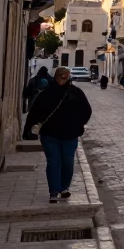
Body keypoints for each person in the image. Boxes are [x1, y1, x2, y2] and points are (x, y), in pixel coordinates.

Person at [23, 67, 92, 204]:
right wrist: (28, 130)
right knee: (53, 161)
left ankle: (63, 187)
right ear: (55, 77)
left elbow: (86, 111)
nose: (63, 78)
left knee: (68, 162)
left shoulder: (76, 93)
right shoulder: (46, 94)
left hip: (70, 135)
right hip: (50, 135)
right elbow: (34, 113)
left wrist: (77, 125)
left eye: (65, 76)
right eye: (60, 76)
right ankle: (54, 191)